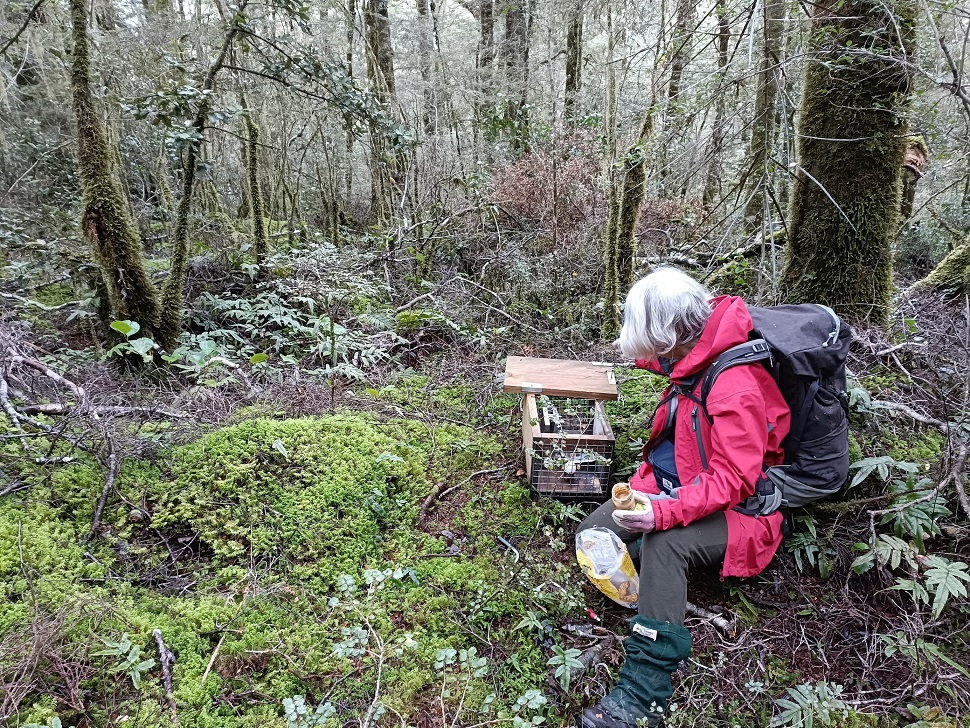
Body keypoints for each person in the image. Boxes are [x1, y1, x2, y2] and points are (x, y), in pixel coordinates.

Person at [577, 267, 791, 728]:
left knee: (663, 543)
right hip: (679, 489)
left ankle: (643, 697)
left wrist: (662, 514)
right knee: (593, 533)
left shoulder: (734, 381)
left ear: (669, 335)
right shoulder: (690, 359)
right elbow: (674, 434)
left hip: (742, 512)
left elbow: (736, 478)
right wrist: (650, 501)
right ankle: (656, 594)